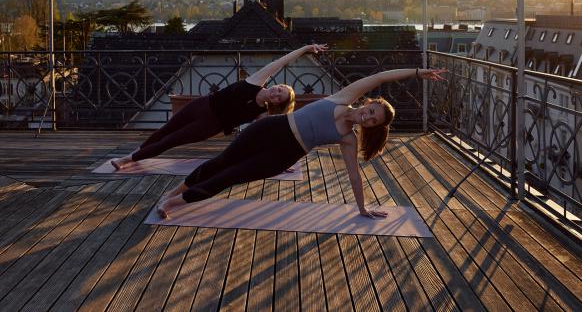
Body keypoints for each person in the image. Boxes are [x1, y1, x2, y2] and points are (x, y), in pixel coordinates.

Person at [156, 67, 446, 219]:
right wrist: (418, 73)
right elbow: (381, 76)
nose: (366, 117)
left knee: (230, 176)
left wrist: (362, 208)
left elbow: (354, 175)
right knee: (220, 162)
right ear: (368, 103)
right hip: (271, 129)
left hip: (285, 154)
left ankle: (173, 202)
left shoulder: (348, 139)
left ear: (371, 127)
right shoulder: (344, 97)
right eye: (371, 111)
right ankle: (178, 188)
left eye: (372, 121)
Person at [111, 44, 328, 169]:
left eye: (280, 97)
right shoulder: (256, 81)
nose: (277, 93)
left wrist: (284, 162)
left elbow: (267, 139)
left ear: (277, 104)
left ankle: (126, 160)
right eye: (280, 88)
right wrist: (307, 48)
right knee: (164, 130)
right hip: (201, 105)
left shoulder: (262, 115)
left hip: (209, 126)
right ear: (275, 85)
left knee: (170, 141)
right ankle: (138, 153)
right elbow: (282, 61)